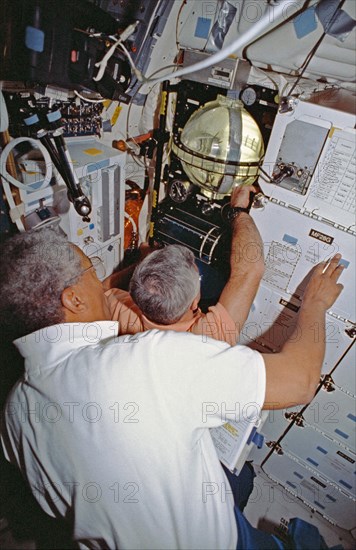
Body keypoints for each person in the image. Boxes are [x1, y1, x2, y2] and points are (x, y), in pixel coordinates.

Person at [0, 227, 344, 550]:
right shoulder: (151, 360)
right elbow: (300, 382)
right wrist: (315, 303)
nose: (98, 278)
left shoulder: (13, 411)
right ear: (73, 300)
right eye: (91, 268)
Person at [105, 185, 265, 345]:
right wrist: (238, 211)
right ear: (195, 302)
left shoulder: (122, 309)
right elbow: (250, 269)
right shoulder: (209, 339)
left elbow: (103, 289)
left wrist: (142, 264)